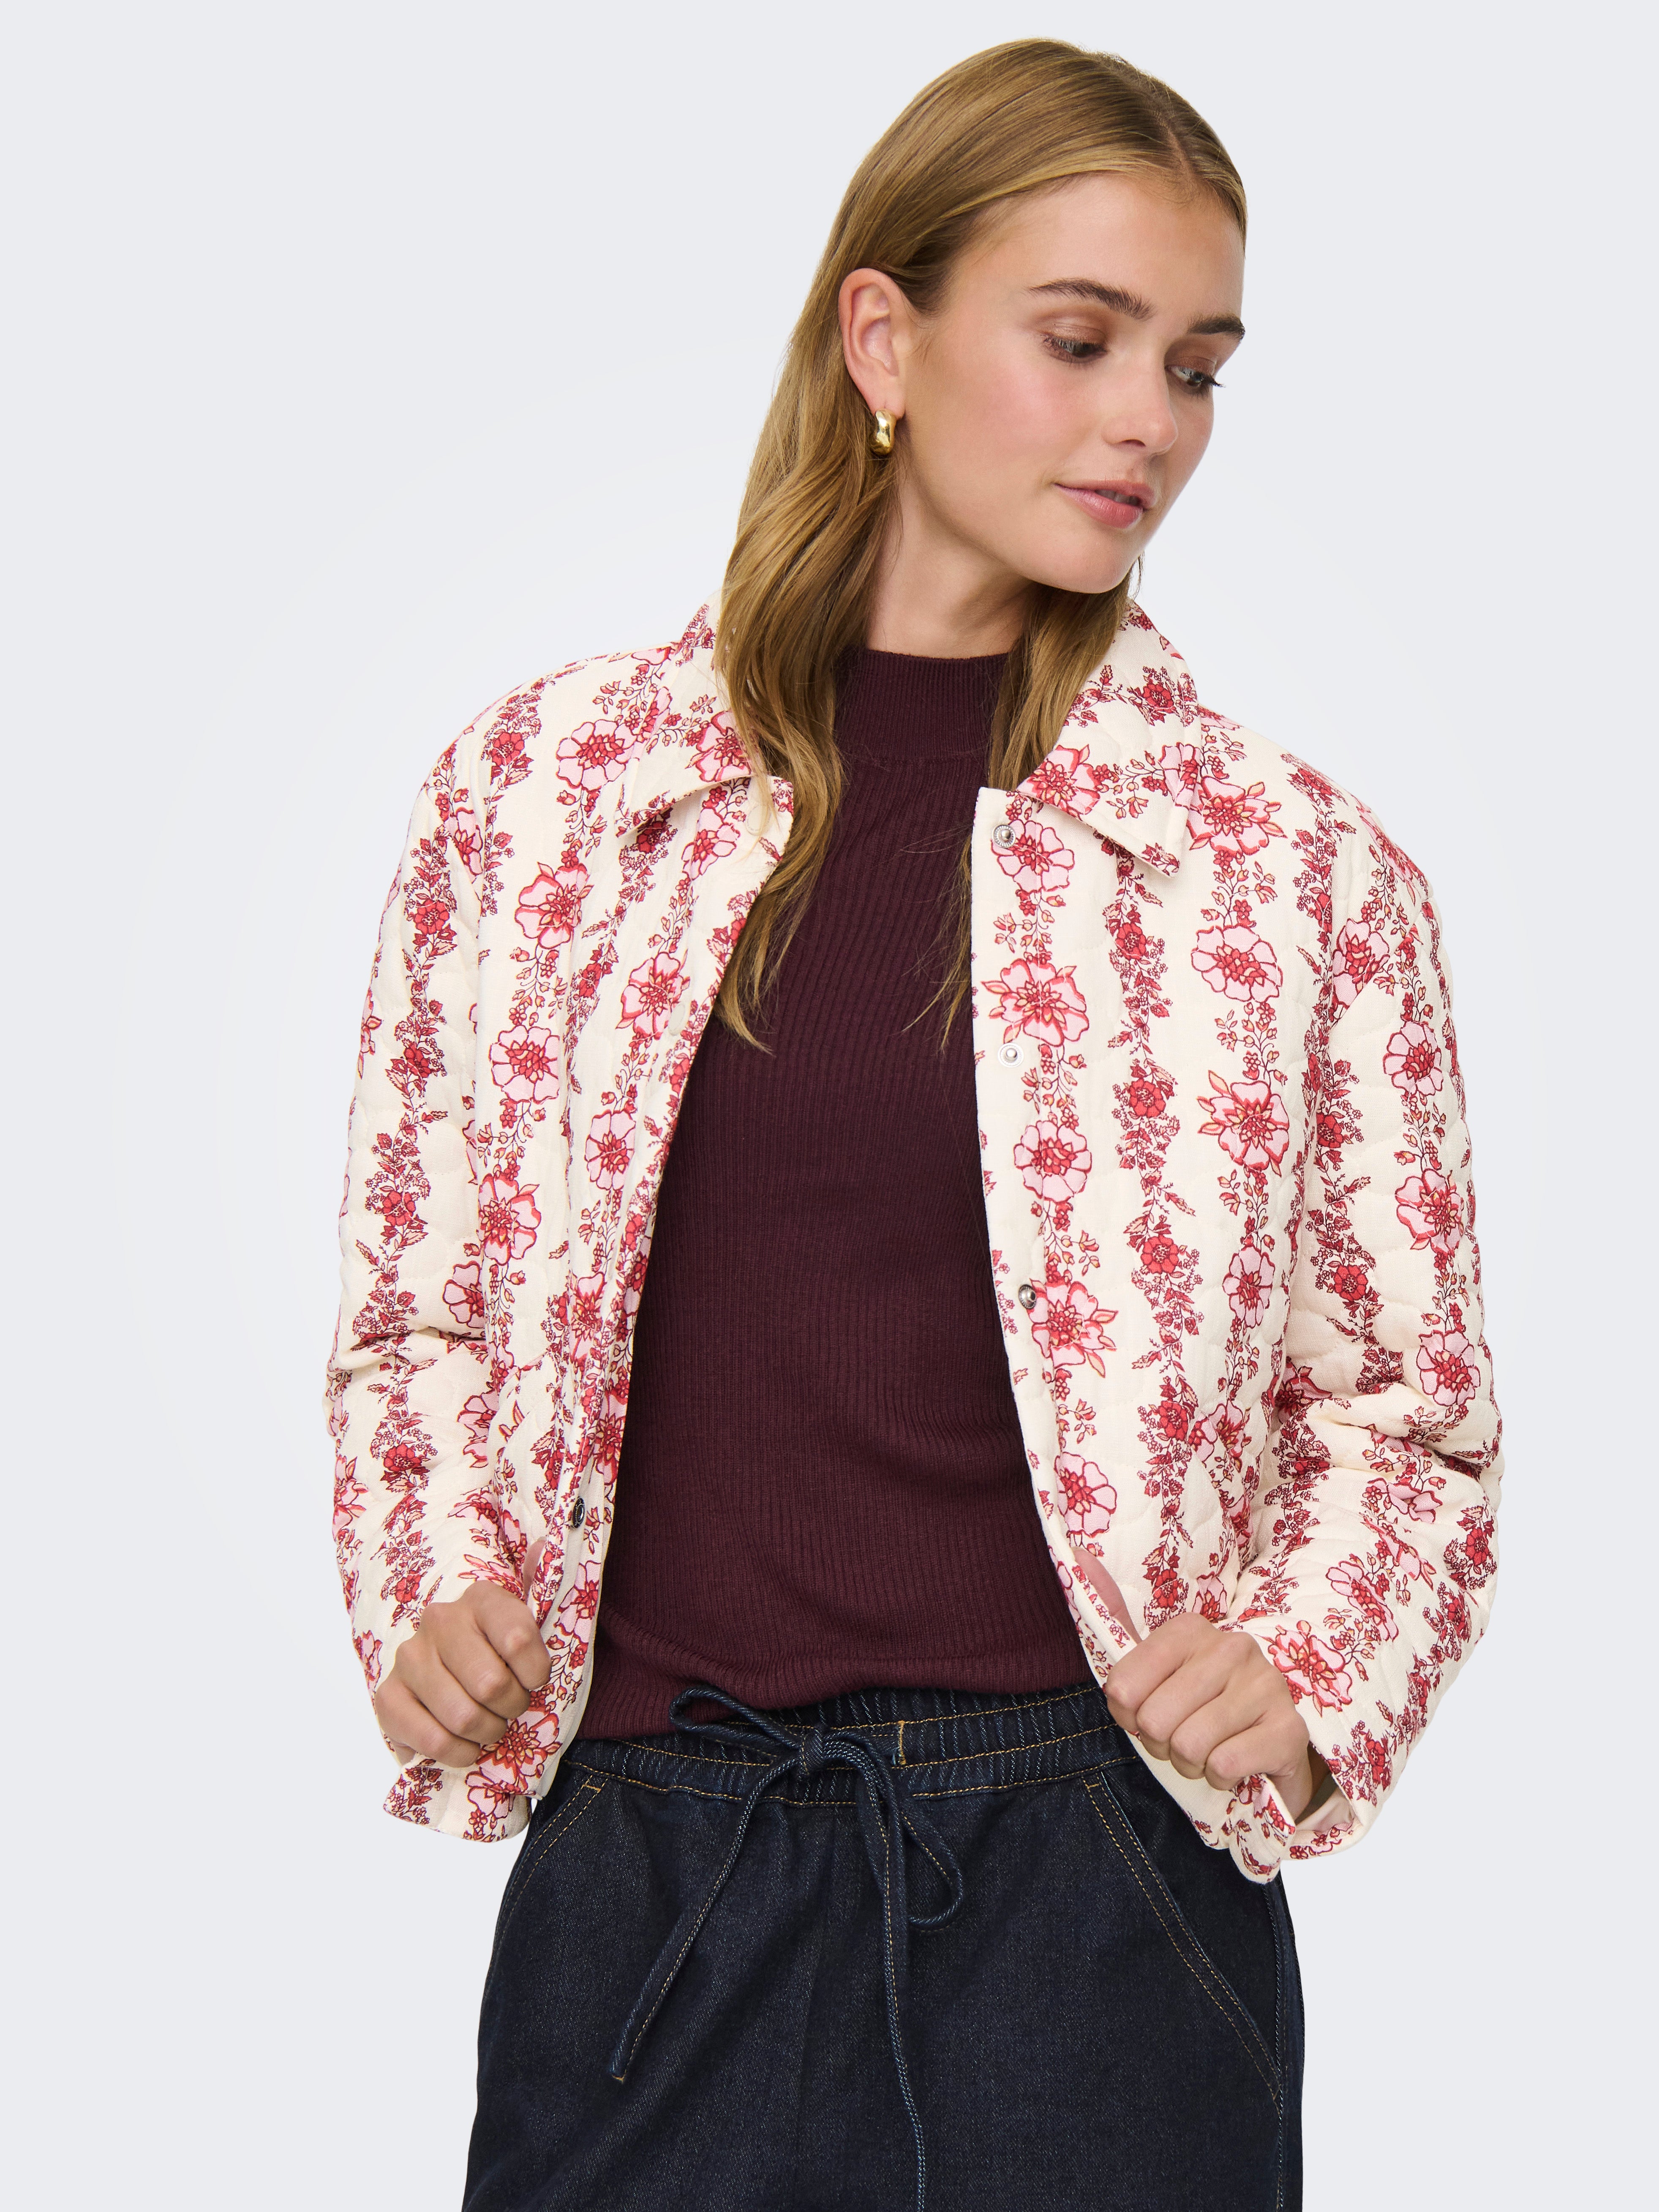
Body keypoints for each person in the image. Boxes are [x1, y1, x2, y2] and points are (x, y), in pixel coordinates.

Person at [327, 38, 1500, 2212]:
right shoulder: (541, 805)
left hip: (1100, 1890)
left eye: (1199, 366)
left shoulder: (1290, 874)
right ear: (883, 339)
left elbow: (1405, 1412)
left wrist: (1310, 1666)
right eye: (1083, 338)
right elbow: (421, 1316)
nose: (1151, 420)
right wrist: (435, 1586)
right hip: (648, 1876)